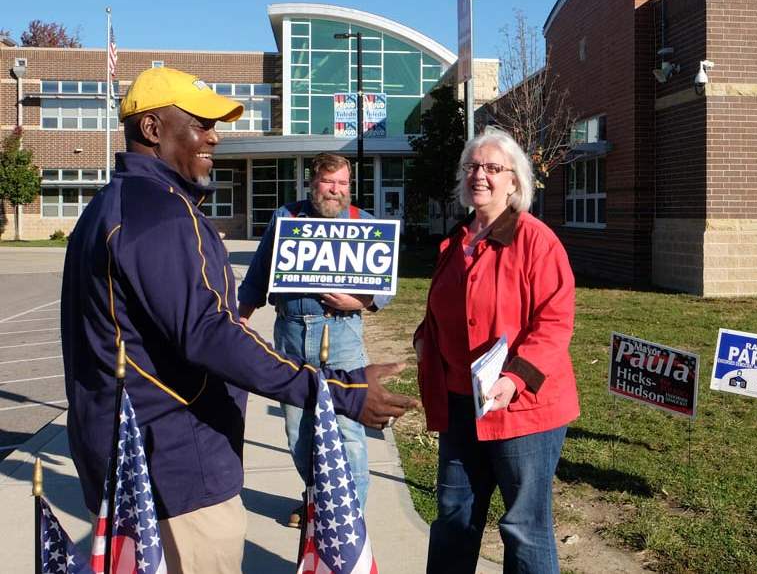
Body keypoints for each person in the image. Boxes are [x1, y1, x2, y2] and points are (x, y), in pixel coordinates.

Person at [61, 66, 417, 574]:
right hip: (176, 470)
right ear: (153, 130)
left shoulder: (114, 206)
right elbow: (211, 333)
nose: (215, 136)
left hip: (141, 462)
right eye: (202, 123)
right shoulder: (160, 215)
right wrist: (337, 391)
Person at [414, 126, 579, 573]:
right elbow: (449, 307)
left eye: (492, 167)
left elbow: (555, 321)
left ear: (515, 182)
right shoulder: (456, 241)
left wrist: (514, 377)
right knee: (453, 518)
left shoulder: (536, 240)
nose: (479, 175)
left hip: (522, 407)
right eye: (472, 166)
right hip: (461, 404)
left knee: (524, 525)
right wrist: (425, 337)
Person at [237, 152, 386, 526]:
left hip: (341, 332)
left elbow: (383, 287)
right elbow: (258, 272)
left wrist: (361, 299)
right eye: (328, 182)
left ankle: (348, 515)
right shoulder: (286, 218)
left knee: (348, 426)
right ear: (312, 183)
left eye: (342, 184)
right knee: (298, 428)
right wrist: (238, 316)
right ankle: (317, 501)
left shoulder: (363, 223)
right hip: (290, 332)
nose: (336, 191)